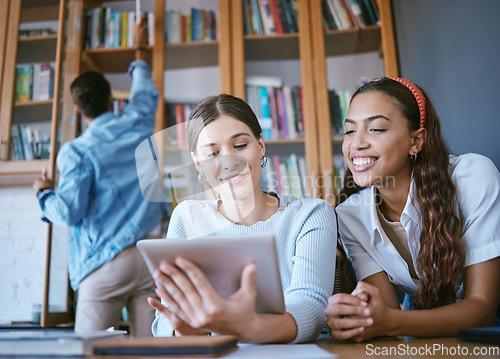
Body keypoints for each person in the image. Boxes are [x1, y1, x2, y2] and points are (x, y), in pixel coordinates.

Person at [147, 94, 337, 343]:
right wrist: (179, 329)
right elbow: (167, 317)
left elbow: (311, 308)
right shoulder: (187, 216)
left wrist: (248, 328)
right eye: (212, 153)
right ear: (197, 163)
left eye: (239, 146)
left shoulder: (311, 214)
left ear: (260, 146)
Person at [325, 77, 500, 341]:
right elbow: (385, 316)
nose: (356, 143)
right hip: (421, 336)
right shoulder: (350, 217)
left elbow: (482, 311)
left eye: (376, 129)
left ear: (416, 141)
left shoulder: (473, 176)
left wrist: (387, 321)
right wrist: (359, 317)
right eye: (350, 131)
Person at [32, 14, 162, 337]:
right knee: (153, 351)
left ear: (79, 110)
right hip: (149, 256)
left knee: (92, 351)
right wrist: (140, 48)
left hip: (102, 263)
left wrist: (44, 193)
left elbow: (70, 211)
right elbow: (144, 89)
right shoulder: (138, 121)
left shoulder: (75, 151)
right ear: (110, 100)